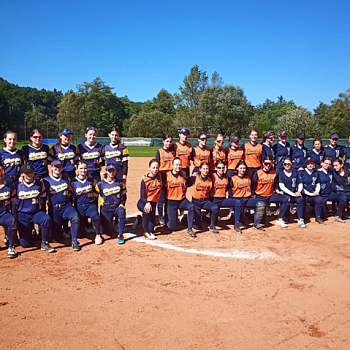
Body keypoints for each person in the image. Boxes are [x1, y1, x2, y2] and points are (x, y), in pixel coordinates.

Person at [15, 164, 55, 252]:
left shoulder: (39, 183)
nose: (29, 175)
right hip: (23, 215)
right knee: (25, 244)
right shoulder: (17, 185)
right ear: (22, 174)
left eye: (31, 172)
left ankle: (44, 243)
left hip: (35, 212)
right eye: (27, 173)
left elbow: (43, 195)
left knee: (46, 219)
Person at [42, 160, 81, 251]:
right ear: (51, 167)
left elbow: (76, 184)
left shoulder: (67, 178)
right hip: (54, 208)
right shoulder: (45, 181)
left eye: (59, 167)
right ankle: (61, 231)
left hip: (66, 206)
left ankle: (74, 240)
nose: (57, 169)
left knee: (75, 217)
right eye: (55, 167)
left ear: (62, 168)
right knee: (56, 238)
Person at [251, 156, 290, 229]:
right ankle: (255, 221)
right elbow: (253, 185)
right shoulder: (258, 173)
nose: (268, 165)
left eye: (269, 164)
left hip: (270, 195)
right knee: (262, 219)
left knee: (286, 199)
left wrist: (277, 190)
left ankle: (280, 219)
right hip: (260, 196)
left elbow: (275, 184)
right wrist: (253, 195)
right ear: (263, 163)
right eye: (266, 163)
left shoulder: (274, 173)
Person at [70, 160, 102, 244]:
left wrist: (94, 195)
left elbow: (98, 189)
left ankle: (98, 235)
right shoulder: (73, 182)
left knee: (95, 216)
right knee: (81, 234)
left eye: (85, 168)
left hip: (90, 205)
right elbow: (70, 194)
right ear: (77, 168)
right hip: (79, 207)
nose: (83, 170)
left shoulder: (91, 180)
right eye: (81, 168)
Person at [230, 161, 265, 231]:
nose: (242, 170)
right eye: (241, 168)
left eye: (244, 168)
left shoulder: (248, 178)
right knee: (241, 222)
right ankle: (236, 218)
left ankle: (256, 224)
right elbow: (230, 193)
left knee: (261, 204)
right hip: (237, 200)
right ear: (237, 168)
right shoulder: (233, 178)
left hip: (247, 199)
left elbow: (251, 190)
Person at [165, 157, 195, 237]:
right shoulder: (166, 175)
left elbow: (190, 181)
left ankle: (190, 229)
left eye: (179, 165)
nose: (178, 167)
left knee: (191, 206)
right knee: (173, 227)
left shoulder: (183, 175)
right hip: (171, 202)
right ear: (172, 165)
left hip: (182, 200)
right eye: (176, 165)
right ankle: (167, 221)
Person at [96, 164, 126, 244]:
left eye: (113, 171)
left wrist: (122, 203)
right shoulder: (100, 184)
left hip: (116, 207)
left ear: (116, 171)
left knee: (121, 211)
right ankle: (107, 225)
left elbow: (124, 194)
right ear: (106, 172)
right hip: (106, 209)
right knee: (109, 233)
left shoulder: (120, 183)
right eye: (109, 171)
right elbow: (95, 196)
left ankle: (120, 235)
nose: (111, 173)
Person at [209, 160, 242, 233]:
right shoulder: (212, 176)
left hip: (223, 199)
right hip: (214, 200)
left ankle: (236, 225)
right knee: (214, 211)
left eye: (223, 167)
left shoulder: (227, 177)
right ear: (216, 168)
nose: (221, 169)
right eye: (219, 167)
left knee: (237, 203)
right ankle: (212, 225)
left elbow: (229, 187)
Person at [135, 159, 162, 239]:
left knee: (152, 229)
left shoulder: (159, 176)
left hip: (153, 205)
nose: (155, 169)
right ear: (149, 168)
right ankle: (146, 232)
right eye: (153, 168)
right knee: (146, 211)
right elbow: (142, 196)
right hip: (144, 202)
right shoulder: (145, 180)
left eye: (157, 168)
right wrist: (147, 202)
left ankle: (140, 220)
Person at [190, 162, 219, 233]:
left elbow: (209, 190)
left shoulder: (209, 179)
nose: (205, 171)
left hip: (205, 201)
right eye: (204, 169)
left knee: (215, 208)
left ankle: (212, 226)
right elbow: (186, 183)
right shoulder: (195, 177)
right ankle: (190, 220)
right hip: (196, 202)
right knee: (199, 227)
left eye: (207, 169)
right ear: (200, 169)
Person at [277, 157, 306, 227]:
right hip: (285, 195)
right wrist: (293, 194)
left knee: (300, 199)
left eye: (288, 164)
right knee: (286, 199)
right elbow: (282, 187)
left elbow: (300, 183)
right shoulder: (281, 174)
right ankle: (281, 218)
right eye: (285, 164)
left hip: (294, 194)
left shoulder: (295, 173)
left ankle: (300, 219)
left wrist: (299, 191)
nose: (287, 165)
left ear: (292, 164)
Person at [317, 157, 347, 222]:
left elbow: (341, 170)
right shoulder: (317, 173)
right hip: (321, 195)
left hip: (330, 194)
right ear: (322, 163)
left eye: (329, 164)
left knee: (343, 197)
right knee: (323, 215)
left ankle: (338, 216)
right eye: (326, 163)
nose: (327, 165)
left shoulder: (331, 172)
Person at [155, 134, 174, 225]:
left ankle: (166, 215)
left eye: (170, 141)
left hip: (171, 176)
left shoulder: (173, 152)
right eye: (167, 141)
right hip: (162, 175)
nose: (168, 143)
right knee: (161, 199)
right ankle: (160, 217)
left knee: (168, 197)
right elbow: (156, 165)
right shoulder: (159, 151)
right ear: (163, 141)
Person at [298, 158, 324, 224]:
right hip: (304, 194)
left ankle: (318, 217)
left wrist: (317, 191)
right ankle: (303, 215)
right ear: (306, 164)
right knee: (305, 217)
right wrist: (309, 194)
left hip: (313, 194)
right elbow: (301, 186)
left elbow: (318, 183)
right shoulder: (301, 172)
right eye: (308, 163)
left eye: (312, 163)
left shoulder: (316, 173)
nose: (310, 165)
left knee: (319, 199)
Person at [0, 164, 17, 258]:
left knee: (12, 221)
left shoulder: (9, 186)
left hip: (4, 214)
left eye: (1, 171)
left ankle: (11, 247)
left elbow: (14, 200)